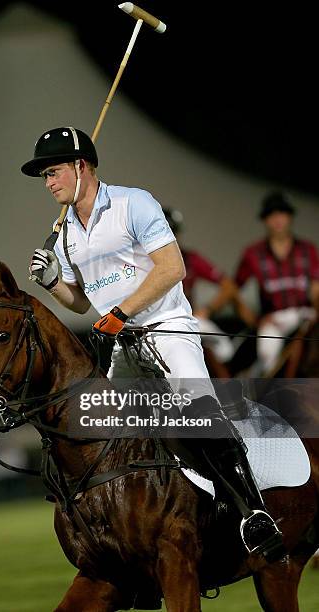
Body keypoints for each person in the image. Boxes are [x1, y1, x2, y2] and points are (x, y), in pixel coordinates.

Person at [21, 126, 285, 561]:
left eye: (53, 173)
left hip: (166, 326)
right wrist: (51, 281)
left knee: (201, 414)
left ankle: (253, 513)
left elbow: (172, 268)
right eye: (45, 176)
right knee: (103, 430)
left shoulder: (132, 203)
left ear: (80, 166)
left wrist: (123, 312)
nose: (48, 183)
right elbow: (83, 301)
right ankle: (129, 535)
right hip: (123, 344)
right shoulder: (65, 232)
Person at [235, 191, 319, 375]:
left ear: (290, 217)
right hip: (274, 319)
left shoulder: (307, 249)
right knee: (267, 356)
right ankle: (258, 390)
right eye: (272, 214)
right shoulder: (253, 253)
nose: (278, 219)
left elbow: (316, 288)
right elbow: (233, 290)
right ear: (265, 219)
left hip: (305, 313)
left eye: (282, 212)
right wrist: (253, 320)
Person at [163, 208, 237, 365]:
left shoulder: (190, 259)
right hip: (155, 325)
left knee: (225, 350)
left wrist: (208, 309)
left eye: (172, 232)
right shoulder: (141, 261)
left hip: (188, 320)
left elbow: (228, 285)